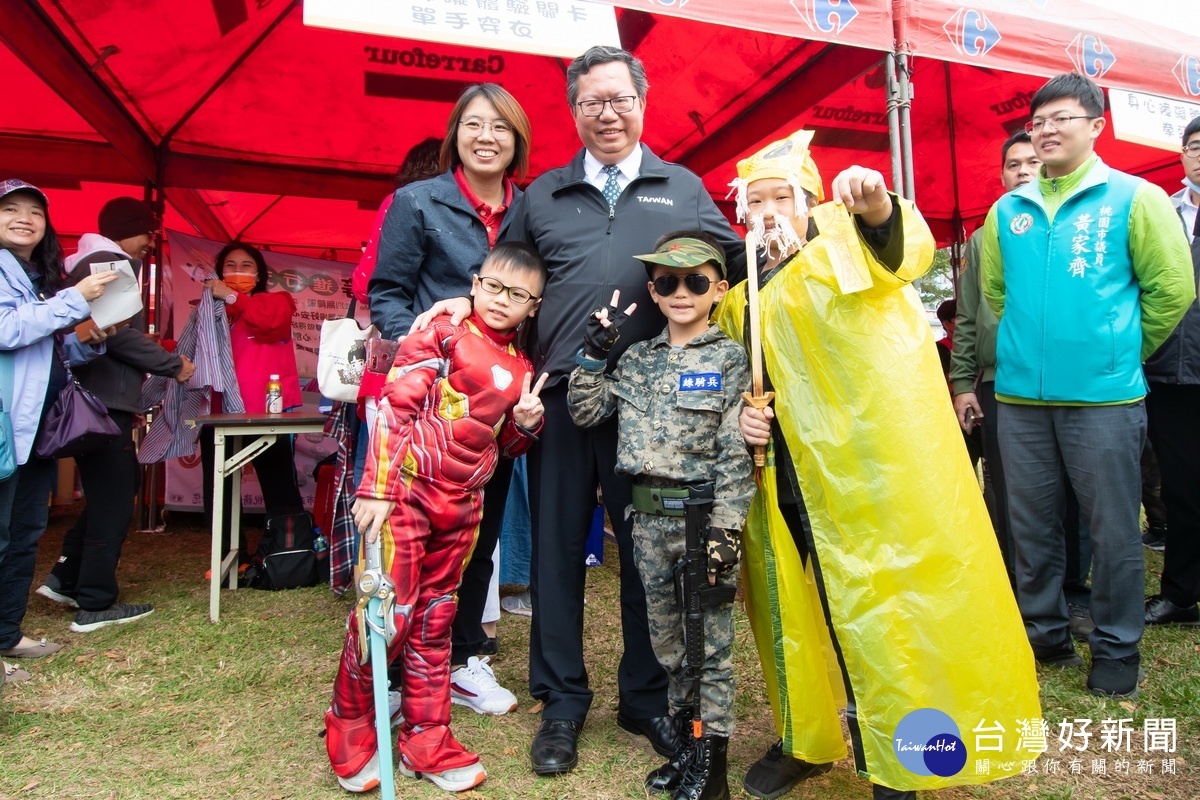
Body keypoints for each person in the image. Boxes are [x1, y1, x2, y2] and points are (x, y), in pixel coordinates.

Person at [413, 45, 746, 776]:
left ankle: (644, 695)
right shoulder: (545, 196)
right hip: (559, 400)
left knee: (647, 559)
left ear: (642, 102)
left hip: (654, 410)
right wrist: (463, 321)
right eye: (592, 102)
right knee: (557, 556)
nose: (608, 113)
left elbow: (736, 267)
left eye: (620, 99)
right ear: (574, 111)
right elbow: (505, 284)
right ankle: (562, 703)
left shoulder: (681, 187)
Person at [716, 130, 1041, 800]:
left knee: (887, 612)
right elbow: (727, 381)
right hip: (781, 482)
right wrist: (738, 419)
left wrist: (876, 206)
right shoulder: (740, 296)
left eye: (784, 197)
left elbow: (901, 250)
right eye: (757, 201)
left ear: (810, 202)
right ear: (741, 215)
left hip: (868, 476)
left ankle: (904, 751)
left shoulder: (845, 249)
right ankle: (807, 736)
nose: (770, 212)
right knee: (797, 614)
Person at [980, 73, 1194, 697]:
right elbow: (998, 293)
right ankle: (1044, 632)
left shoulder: (1135, 198)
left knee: (1112, 528)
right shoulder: (1007, 209)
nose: (1045, 130)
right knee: (1032, 524)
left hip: (1104, 399)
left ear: (1096, 125)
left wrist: (1117, 350)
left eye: (1061, 118)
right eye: (1037, 121)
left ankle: (1117, 645)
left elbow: (1172, 289)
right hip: (1020, 399)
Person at [325, 242, 548, 794]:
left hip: (464, 507)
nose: (502, 301)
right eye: (494, 286)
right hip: (405, 493)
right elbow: (396, 407)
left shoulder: (523, 367)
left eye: (518, 295)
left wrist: (526, 422)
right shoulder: (441, 332)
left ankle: (427, 736)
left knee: (436, 618)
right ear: (475, 284)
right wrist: (375, 487)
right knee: (386, 613)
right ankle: (350, 723)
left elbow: (506, 447)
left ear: (534, 306)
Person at [368, 84, 533, 715]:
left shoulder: (533, 209)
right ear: (455, 134)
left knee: (480, 537)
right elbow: (387, 294)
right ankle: (386, 666)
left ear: (516, 139)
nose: (486, 136)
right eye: (474, 124)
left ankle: (464, 658)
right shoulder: (416, 202)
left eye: (500, 126)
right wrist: (430, 339)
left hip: (498, 405)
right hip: (432, 408)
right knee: (412, 543)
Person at [568, 231, 752, 800]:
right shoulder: (638, 358)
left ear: (718, 291)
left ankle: (711, 770)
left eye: (695, 281)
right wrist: (593, 354)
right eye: (668, 282)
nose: (681, 292)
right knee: (671, 644)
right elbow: (585, 411)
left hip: (701, 521)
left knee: (710, 647)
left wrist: (726, 529)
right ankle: (687, 749)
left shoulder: (728, 359)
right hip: (646, 524)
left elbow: (733, 453)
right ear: (652, 290)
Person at [35, 197, 193, 632]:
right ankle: (96, 603)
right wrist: (173, 364)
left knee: (108, 491)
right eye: (147, 233)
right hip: (103, 398)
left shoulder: (86, 261)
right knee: (116, 496)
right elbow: (116, 334)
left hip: (97, 395)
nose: (149, 244)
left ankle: (67, 578)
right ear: (128, 229)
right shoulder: (110, 263)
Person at [0, 180, 117, 676]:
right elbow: (6, 330)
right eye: (10, 209)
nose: (24, 218)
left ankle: (6, 634)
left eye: (35, 212)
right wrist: (75, 300)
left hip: (35, 429)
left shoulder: (33, 274)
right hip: (7, 427)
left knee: (25, 532)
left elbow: (40, 345)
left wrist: (86, 340)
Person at [200, 242, 304, 566]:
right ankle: (228, 557)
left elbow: (269, 322)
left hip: (265, 410)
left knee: (278, 484)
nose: (238, 271)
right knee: (219, 489)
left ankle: (288, 553)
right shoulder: (212, 310)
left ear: (259, 274)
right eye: (231, 265)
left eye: (246, 266)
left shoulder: (277, 301)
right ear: (219, 272)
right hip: (219, 410)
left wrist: (232, 296)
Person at [1143, 115, 1200, 627]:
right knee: (1180, 487)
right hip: (1170, 377)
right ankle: (1182, 595)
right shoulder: (1163, 212)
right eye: (1194, 147)